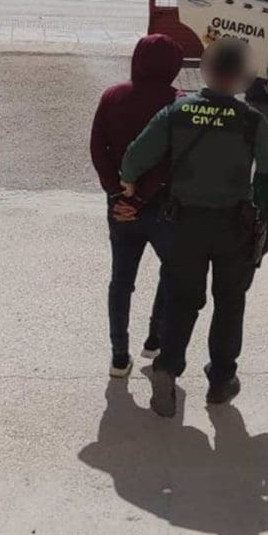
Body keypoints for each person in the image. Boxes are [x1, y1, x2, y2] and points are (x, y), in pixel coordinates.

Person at [120, 38, 268, 418]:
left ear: (206, 71)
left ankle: (167, 367)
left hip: (184, 224)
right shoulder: (250, 120)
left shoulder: (177, 112)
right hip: (234, 226)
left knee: (181, 300)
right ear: (242, 76)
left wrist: (129, 182)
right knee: (230, 302)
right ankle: (221, 380)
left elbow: (136, 157)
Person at [90, 34, 184, 378]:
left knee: (121, 279)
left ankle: (119, 356)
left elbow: (98, 149)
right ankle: (154, 339)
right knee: (171, 272)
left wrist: (119, 194)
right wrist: (143, 196)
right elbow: (172, 159)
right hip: (164, 206)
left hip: (120, 206)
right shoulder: (179, 104)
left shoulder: (112, 97)